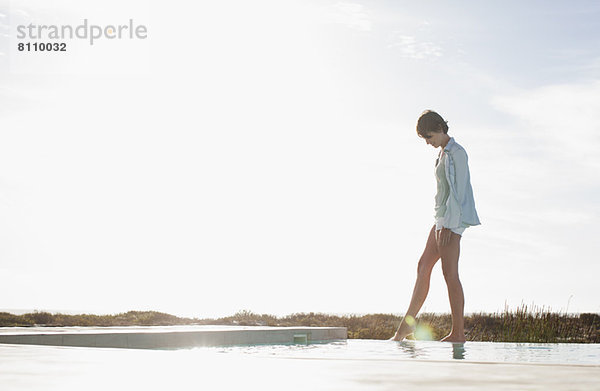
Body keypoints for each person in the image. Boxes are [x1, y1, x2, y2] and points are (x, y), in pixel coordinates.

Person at [390, 110, 481, 343]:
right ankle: (404, 329)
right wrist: (439, 223)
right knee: (423, 266)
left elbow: (458, 194)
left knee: (450, 274)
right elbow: (442, 193)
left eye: (429, 137)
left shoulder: (458, 153)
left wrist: (449, 227)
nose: (428, 143)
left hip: (453, 222)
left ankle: (458, 333)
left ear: (440, 128)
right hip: (441, 220)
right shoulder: (442, 154)